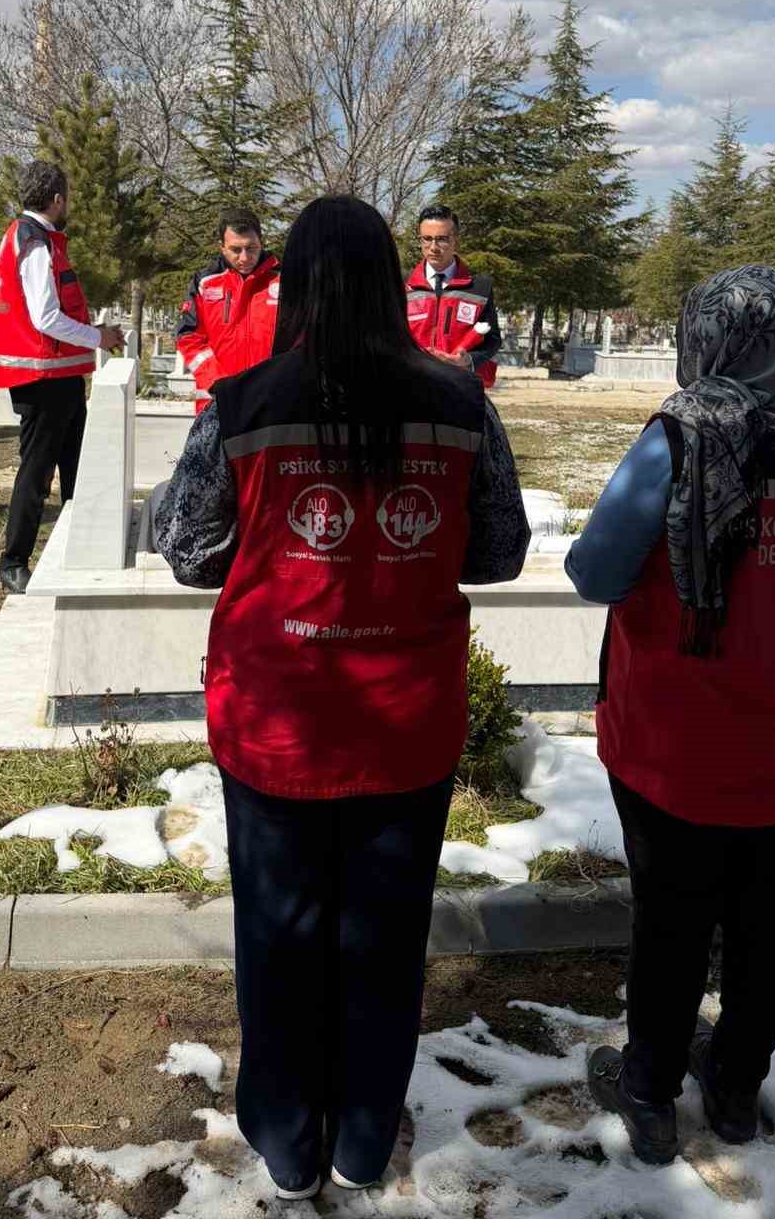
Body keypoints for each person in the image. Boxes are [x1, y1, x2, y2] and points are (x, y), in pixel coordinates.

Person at [156, 194, 529, 1202]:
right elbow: (500, 549)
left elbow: (189, 549)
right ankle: (365, 1135)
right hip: (405, 728)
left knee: (278, 935)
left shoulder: (241, 403)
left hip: (275, 724)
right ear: (387, 279)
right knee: (384, 937)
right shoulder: (458, 403)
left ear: (295, 284)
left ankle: (287, 1137)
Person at [564, 266, 775, 1167]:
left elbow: (595, 572)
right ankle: (738, 1089)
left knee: (669, 922)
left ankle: (651, 1092)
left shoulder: (681, 439)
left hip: (679, 738)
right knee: (766, 915)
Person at [0, 159, 123, 593]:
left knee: (74, 467)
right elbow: (46, 316)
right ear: (56, 199)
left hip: (60, 377)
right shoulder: (34, 244)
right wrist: (98, 337)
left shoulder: (39, 239)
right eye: (66, 198)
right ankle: (13, 561)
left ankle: (76, 545)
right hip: (41, 377)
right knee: (37, 471)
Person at [176, 208, 280, 413]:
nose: (244, 258)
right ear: (221, 247)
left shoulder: (284, 281)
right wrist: (217, 381)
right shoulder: (204, 283)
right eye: (235, 250)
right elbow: (188, 337)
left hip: (272, 401)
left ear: (262, 242)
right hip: (217, 402)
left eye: (251, 248)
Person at [404, 204, 502, 389]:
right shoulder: (401, 286)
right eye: (427, 239)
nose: (433, 247)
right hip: (412, 388)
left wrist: (469, 360)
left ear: (455, 240)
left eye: (442, 239)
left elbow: (493, 340)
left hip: (461, 388)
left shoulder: (479, 288)